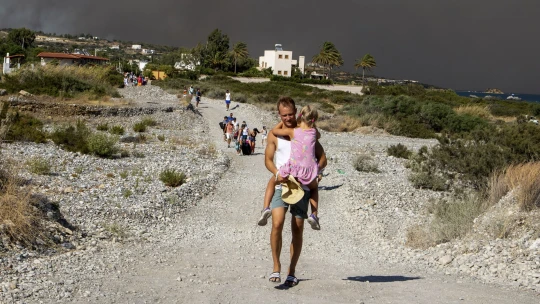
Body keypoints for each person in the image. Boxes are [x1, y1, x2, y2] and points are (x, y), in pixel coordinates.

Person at [262, 97, 327, 287]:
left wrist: (315, 172)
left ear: (296, 112)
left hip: (303, 187)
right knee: (277, 223)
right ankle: (276, 266)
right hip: (282, 183)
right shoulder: (276, 135)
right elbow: (267, 160)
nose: (288, 118)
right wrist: (276, 173)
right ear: (279, 115)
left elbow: (322, 158)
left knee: (297, 229)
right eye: (284, 115)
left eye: (291, 114)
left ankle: (292, 271)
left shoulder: (305, 131)